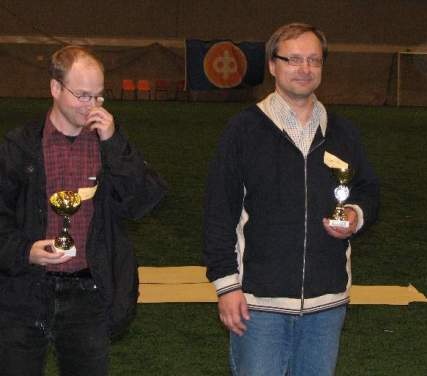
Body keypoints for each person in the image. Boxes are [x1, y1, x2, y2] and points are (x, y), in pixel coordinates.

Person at [203, 22, 379, 375]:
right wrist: (226, 286)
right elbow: (219, 212)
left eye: (314, 60)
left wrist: (355, 215)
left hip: (327, 303)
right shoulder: (243, 130)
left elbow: (368, 190)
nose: (305, 69)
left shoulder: (342, 131)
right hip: (258, 303)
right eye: (294, 59)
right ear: (272, 65)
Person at [0, 45, 166, 376]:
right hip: (24, 292)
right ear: (55, 88)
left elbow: (146, 200)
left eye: (99, 96)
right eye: (83, 95)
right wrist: (25, 251)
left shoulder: (110, 145)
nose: (92, 105)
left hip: (89, 293)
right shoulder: (19, 146)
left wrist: (115, 143)